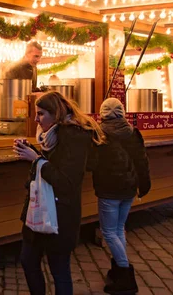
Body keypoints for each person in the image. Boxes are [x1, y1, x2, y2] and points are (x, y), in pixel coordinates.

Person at [13, 91, 104, 295]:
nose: (36, 119)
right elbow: (51, 163)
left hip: (60, 215)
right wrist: (32, 151)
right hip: (38, 211)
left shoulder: (74, 138)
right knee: (28, 261)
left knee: (59, 270)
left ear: (56, 114)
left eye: (41, 113)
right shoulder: (50, 136)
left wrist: (35, 160)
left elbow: (66, 182)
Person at [91, 98, 151, 294]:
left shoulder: (99, 135)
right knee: (119, 229)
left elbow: (91, 163)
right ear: (122, 112)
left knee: (108, 232)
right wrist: (144, 185)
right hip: (129, 188)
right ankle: (117, 269)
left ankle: (125, 275)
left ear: (102, 114)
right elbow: (142, 161)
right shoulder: (133, 132)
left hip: (109, 189)